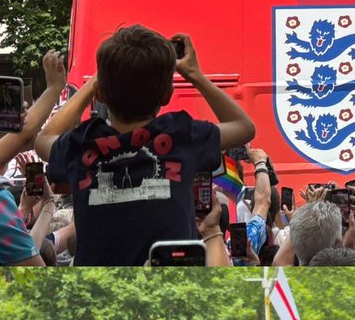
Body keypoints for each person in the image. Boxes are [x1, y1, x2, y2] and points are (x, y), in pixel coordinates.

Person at [34, 27, 256, 266]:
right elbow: (244, 127)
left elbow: (43, 140)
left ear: (100, 94)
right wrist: (194, 75)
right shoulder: (181, 135)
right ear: (167, 95)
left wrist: (93, 85)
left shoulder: (80, 144)